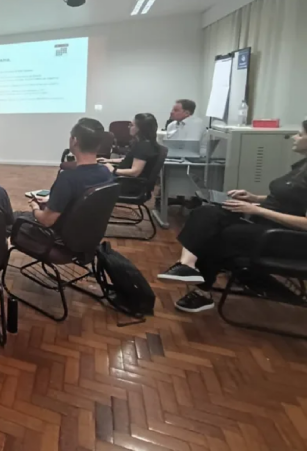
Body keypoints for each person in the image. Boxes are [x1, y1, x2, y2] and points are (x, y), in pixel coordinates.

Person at [157, 120, 307, 313]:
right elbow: (286, 198)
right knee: (207, 212)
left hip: (287, 238)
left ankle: (203, 292)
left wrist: (258, 210)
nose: (294, 137)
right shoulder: (302, 167)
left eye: (300, 134)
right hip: (265, 224)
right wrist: (255, 198)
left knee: (219, 234)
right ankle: (186, 265)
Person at [18, 118, 114, 236]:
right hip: (88, 234)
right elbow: (83, 200)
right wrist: (53, 200)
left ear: (74, 141)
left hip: (58, 237)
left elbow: (46, 221)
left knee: (12, 218)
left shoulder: (68, 178)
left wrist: (35, 207)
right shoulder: (106, 172)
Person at [100, 113, 160, 181]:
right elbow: (131, 160)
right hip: (123, 178)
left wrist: (113, 170)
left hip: (126, 182)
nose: (129, 127)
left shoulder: (143, 146)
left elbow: (135, 172)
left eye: (131, 125)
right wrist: (108, 160)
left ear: (140, 129)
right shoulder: (145, 143)